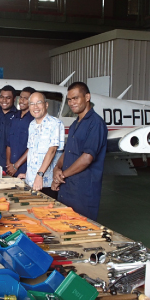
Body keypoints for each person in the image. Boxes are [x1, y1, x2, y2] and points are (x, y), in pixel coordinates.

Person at [53, 82, 108, 220]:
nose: (71, 103)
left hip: (83, 192)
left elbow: (87, 158)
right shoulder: (75, 124)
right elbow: (68, 151)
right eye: (69, 100)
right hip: (67, 189)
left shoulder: (96, 124)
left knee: (81, 229)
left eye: (75, 98)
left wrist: (62, 176)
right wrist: (57, 168)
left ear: (87, 97)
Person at [23, 92, 65, 199]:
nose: (35, 107)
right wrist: (28, 174)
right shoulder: (31, 125)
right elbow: (32, 151)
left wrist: (39, 175)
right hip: (31, 181)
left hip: (46, 183)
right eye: (32, 103)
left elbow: (52, 150)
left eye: (39, 103)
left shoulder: (55, 124)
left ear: (46, 105)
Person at [6, 87, 35, 177]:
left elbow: (33, 147)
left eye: (25, 98)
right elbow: (9, 144)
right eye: (21, 97)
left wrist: (16, 165)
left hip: (24, 170)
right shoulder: (14, 118)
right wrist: (8, 163)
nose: (21, 100)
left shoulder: (34, 120)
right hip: (10, 169)